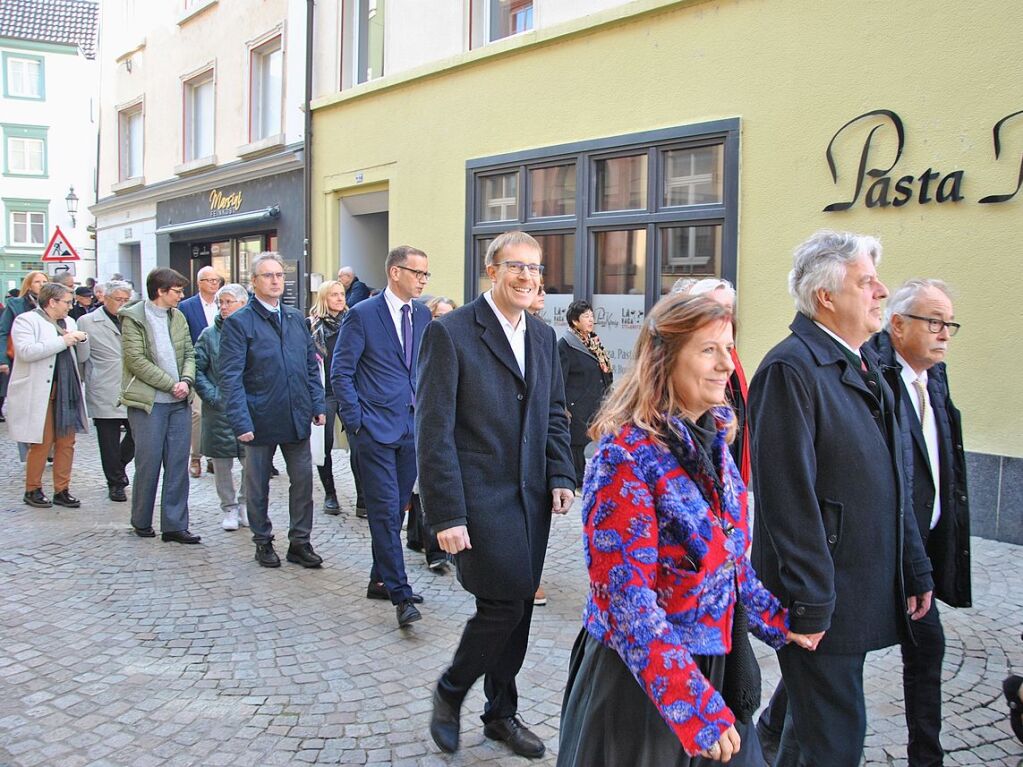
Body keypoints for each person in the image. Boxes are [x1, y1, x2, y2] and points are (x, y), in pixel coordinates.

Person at [558, 294, 812, 766]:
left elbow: (728, 562)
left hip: (717, 671)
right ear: (665, 359)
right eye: (708, 350)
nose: (725, 365)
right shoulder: (625, 458)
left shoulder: (714, 440)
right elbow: (626, 601)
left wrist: (781, 623)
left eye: (729, 349)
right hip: (641, 687)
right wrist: (693, 707)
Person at [748, 230, 934, 767]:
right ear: (825, 297)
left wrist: (914, 567)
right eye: (866, 281)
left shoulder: (863, 363)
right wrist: (809, 603)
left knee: (814, 735)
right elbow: (788, 501)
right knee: (835, 737)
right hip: (818, 594)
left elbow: (893, 478)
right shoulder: (791, 369)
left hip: (848, 588)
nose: (882, 291)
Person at [417, 231, 575, 759]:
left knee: (520, 607)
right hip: (479, 497)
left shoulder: (543, 337)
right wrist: (446, 514)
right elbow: (432, 431)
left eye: (535, 269)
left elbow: (555, 412)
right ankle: (451, 690)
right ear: (491, 271)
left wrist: (560, 474)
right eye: (517, 267)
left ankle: (500, 715)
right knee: (505, 601)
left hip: (531, 498)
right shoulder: (451, 332)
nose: (528, 278)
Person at [867, 278, 972, 766]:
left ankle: (926, 757)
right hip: (880, 551)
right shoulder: (875, 376)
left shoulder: (936, 378)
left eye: (948, 322)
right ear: (898, 323)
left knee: (927, 651)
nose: (944, 332)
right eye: (934, 321)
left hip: (920, 549)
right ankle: (779, 723)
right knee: (843, 656)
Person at [331, 246, 432, 628]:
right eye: (417, 272)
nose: (423, 279)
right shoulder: (362, 315)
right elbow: (341, 372)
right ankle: (400, 593)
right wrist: (357, 423)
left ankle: (379, 577)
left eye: (426, 274)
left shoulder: (422, 314)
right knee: (386, 509)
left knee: (399, 507)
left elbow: (421, 368)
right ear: (394, 272)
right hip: (373, 430)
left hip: (411, 429)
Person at [220, 252, 326, 569]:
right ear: (254, 282)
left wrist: (317, 403)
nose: (275, 281)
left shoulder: (295, 319)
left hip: (296, 415)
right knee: (258, 485)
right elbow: (230, 377)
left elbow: (311, 366)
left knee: (303, 482)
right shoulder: (240, 322)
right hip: (258, 417)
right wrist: (241, 420)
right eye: (268, 275)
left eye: (279, 275)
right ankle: (263, 541)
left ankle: (300, 542)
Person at [120, 267, 200, 544]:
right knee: (148, 462)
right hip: (149, 403)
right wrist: (171, 384)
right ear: (161, 291)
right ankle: (141, 520)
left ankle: (175, 525)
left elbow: (190, 352)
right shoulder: (133, 318)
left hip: (179, 401)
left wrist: (186, 380)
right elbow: (136, 361)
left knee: (178, 464)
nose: (181, 295)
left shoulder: (178, 317)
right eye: (176, 291)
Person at [7, 283, 88, 508]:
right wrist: (65, 340)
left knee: (66, 442)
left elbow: (80, 357)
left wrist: (81, 340)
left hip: (67, 391)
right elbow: (26, 351)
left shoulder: (69, 322)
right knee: (41, 442)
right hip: (40, 392)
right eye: (67, 302)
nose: (70, 307)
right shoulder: (27, 320)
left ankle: (62, 490)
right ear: (52, 302)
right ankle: (32, 489)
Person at [673, 278, 751, 486]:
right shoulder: (634, 449)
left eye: (728, 309)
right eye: (709, 349)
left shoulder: (717, 427)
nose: (727, 365)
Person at [406, 296, 460, 573]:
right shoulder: (423, 339)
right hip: (416, 417)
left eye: (449, 314)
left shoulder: (458, 341)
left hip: (448, 421)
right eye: (439, 315)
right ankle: (428, 544)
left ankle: (425, 542)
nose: (445, 321)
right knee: (423, 484)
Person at [193, 283, 250, 532]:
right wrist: (212, 395)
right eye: (221, 303)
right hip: (219, 408)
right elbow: (196, 368)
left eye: (229, 302)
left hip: (250, 407)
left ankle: (246, 503)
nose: (224, 307)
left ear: (243, 303)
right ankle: (228, 507)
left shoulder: (254, 330)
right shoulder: (209, 335)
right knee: (222, 462)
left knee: (252, 461)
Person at [308, 280, 364, 515]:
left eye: (342, 294)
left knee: (359, 445)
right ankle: (330, 495)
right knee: (325, 446)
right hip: (326, 392)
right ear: (323, 298)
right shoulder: (311, 327)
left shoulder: (353, 322)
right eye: (334, 295)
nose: (340, 299)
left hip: (351, 390)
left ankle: (363, 498)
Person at [77, 280, 135, 501]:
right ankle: (115, 482)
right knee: (108, 439)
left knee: (137, 434)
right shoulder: (87, 321)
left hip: (132, 387)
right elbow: (82, 358)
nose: (122, 304)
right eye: (118, 299)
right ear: (105, 298)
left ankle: (118, 466)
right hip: (103, 387)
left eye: (125, 300)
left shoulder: (134, 318)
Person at [558, 299, 614, 490]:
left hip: (597, 401)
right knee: (577, 445)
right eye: (586, 316)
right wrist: (564, 406)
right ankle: (576, 480)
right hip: (577, 405)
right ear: (575, 321)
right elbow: (559, 379)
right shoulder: (565, 345)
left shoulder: (594, 342)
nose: (591, 320)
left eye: (592, 315)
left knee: (602, 439)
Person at [179, 266, 225, 478]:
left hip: (222, 368)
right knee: (197, 413)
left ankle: (214, 457)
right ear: (199, 283)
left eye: (217, 280)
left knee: (218, 413)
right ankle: (195, 457)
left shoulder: (225, 303)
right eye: (209, 280)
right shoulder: (186, 306)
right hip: (199, 366)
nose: (214, 284)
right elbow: (182, 337)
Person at [0, 271, 48, 421]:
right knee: (23, 399)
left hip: (44, 355)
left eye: (44, 282)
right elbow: (3, 332)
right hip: (20, 356)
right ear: (28, 285)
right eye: (37, 282)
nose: (41, 285)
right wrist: (2, 360)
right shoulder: (16, 304)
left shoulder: (52, 303)